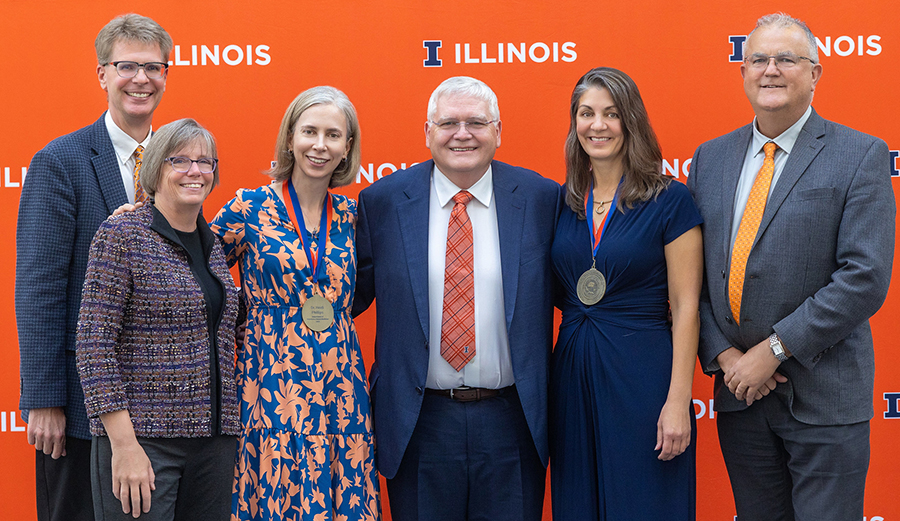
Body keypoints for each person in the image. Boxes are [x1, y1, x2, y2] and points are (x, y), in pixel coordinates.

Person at [686, 13, 895, 521]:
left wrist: (774, 350)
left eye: (786, 59)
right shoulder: (710, 158)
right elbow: (694, 277)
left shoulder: (859, 154)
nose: (770, 69)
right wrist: (727, 358)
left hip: (825, 399)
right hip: (740, 397)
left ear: (816, 73)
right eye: (757, 59)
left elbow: (863, 278)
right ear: (742, 72)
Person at [352, 76, 561, 521]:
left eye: (476, 122)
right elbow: (345, 297)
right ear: (427, 132)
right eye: (448, 123)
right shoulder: (383, 203)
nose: (462, 133)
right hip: (419, 422)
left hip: (513, 422)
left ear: (498, 132)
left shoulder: (542, 199)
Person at [15, 14, 172, 521]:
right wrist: (45, 400)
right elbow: (40, 287)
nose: (141, 80)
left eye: (154, 68)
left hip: (158, 407)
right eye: (127, 66)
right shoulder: (60, 161)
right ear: (102, 74)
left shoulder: (181, 163)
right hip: (79, 411)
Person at [209, 86, 380, 521]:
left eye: (333, 135)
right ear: (289, 138)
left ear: (347, 149)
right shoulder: (249, 206)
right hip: (269, 376)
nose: (319, 145)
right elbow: (193, 266)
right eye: (309, 131)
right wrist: (142, 218)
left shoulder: (353, 215)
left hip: (339, 378)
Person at [548, 67, 703, 520]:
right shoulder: (564, 202)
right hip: (573, 376)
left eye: (611, 114)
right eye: (586, 113)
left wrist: (678, 402)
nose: (598, 125)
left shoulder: (670, 201)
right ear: (574, 123)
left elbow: (688, 306)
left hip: (643, 378)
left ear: (630, 121)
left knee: (644, 502)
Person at [75, 118, 239, 521]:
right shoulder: (123, 234)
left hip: (213, 443)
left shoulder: (212, 243)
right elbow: (94, 345)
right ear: (154, 169)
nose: (195, 171)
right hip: (145, 443)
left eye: (205, 162)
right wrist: (125, 446)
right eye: (179, 160)